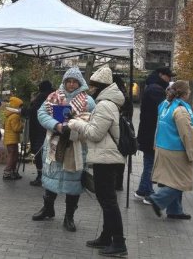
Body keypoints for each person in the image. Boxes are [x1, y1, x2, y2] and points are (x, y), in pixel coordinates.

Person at [68, 66, 127, 256]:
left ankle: (119, 243)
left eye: (93, 86)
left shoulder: (105, 105)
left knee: (108, 201)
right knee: (105, 200)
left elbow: (94, 133)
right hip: (106, 156)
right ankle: (106, 237)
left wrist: (75, 123)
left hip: (107, 159)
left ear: (100, 86)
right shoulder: (108, 103)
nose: (90, 90)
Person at [32, 67, 95, 233]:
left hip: (76, 146)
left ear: (80, 82)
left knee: (73, 181)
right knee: (51, 176)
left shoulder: (88, 101)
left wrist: (77, 125)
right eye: (69, 81)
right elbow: (42, 114)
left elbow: (93, 120)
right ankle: (48, 208)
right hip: (54, 142)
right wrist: (57, 125)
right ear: (64, 82)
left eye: (75, 81)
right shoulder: (53, 97)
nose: (72, 84)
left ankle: (69, 217)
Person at [146, 80, 193, 220]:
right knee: (182, 181)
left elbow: (159, 126)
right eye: (188, 90)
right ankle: (157, 199)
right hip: (177, 151)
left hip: (163, 147)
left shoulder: (165, 105)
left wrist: (155, 144)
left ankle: (175, 210)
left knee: (170, 180)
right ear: (185, 93)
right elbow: (187, 134)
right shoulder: (181, 110)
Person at [135, 67, 173, 202]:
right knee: (151, 163)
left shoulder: (152, 87)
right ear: (161, 75)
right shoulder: (156, 89)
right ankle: (149, 194)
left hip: (148, 132)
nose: (170, 80)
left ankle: (142, 190)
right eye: (169, 77)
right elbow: (165, 108)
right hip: (152, 133)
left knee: (149, 163)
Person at [28, 80, 54, 186]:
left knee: (39, 153)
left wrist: (23, 111)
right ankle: (47, 175)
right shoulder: (54, 96)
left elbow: (34, 111)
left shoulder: (42, 97)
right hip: (50, 129)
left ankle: (40, 176)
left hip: (39, 130)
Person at [112, 74, 133, 191]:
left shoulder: (116, 96)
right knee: (121, 156)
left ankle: (116, 182)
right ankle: (119, 182)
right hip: (125, 130)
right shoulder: (126, 95)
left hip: (119, 128)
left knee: (116, 155)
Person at [3, 96, 24, 180]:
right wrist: (22, 125)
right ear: (16, 106)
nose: (21, 108)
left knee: (14, 155)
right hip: (12, 139)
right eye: (20, 106)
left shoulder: (9, 115)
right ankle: (7, 172)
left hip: (10, 139)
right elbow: (16, 128)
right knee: (12, 156)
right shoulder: (15, 116)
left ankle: (12, 171)